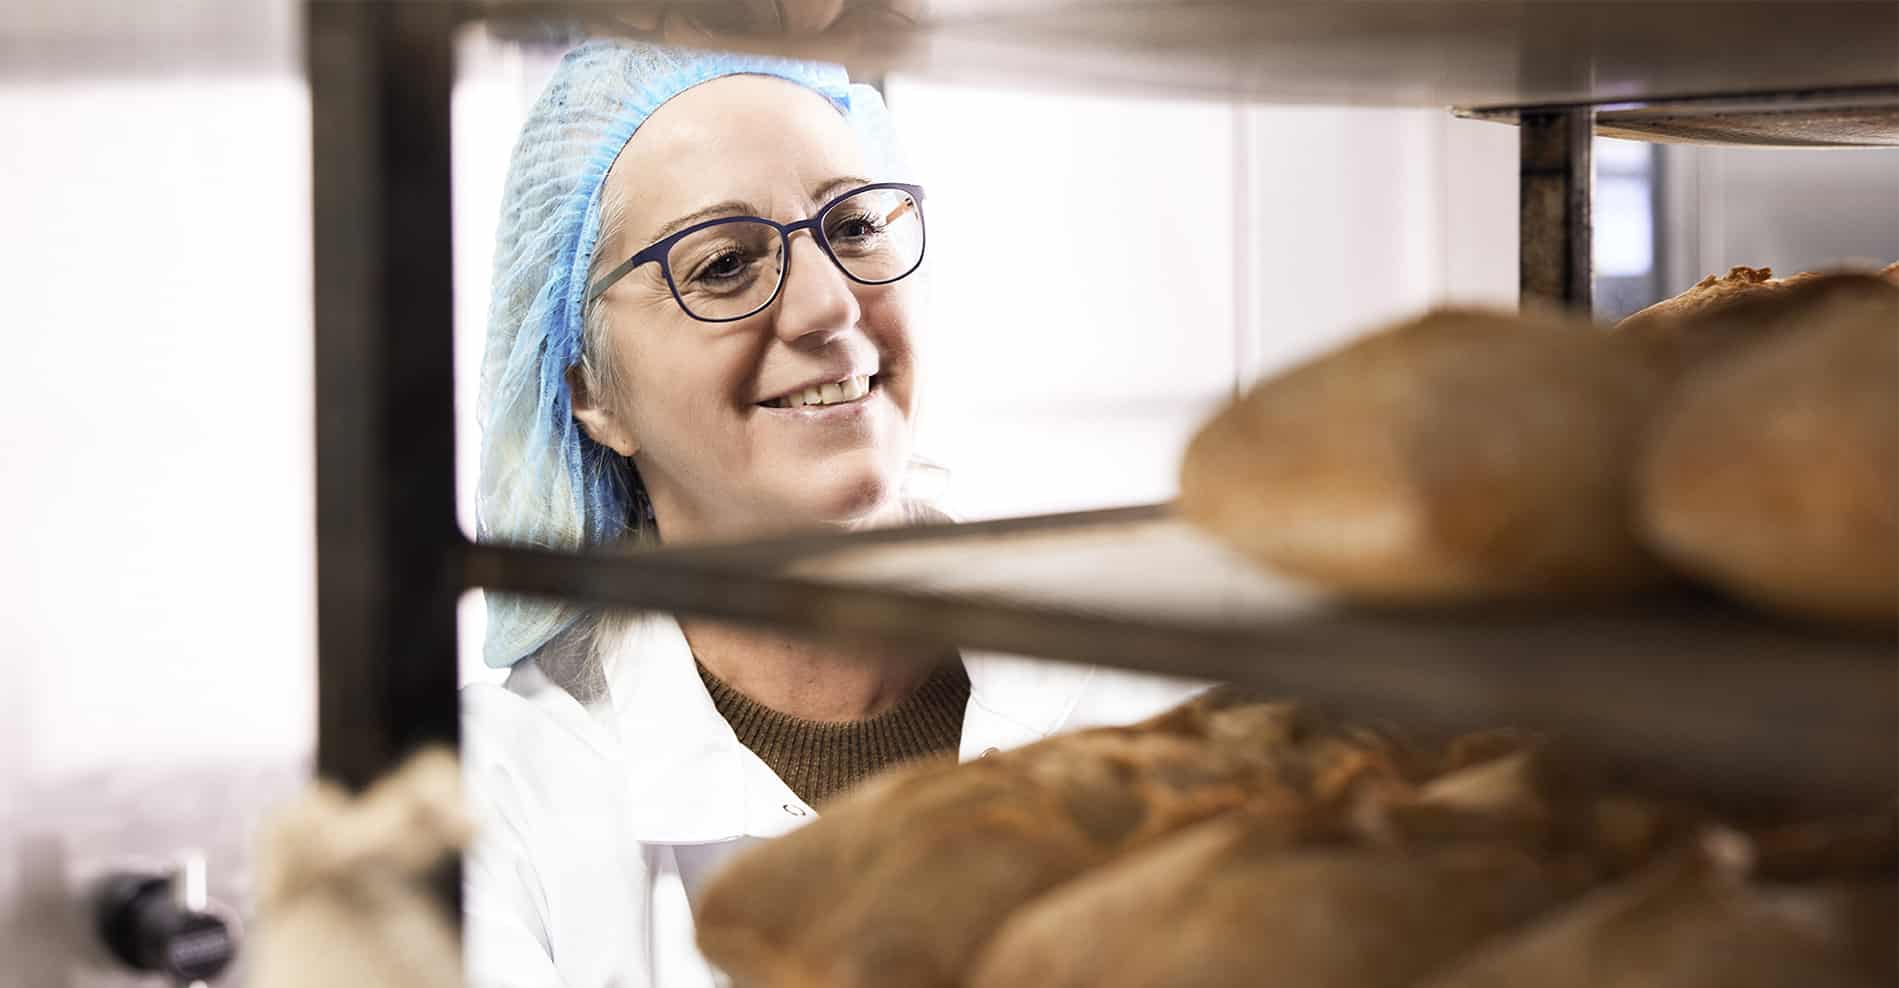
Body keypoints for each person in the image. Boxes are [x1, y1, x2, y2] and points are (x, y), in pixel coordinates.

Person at [462, 40, 1201, 987]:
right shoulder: (489, 805)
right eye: (723, 263)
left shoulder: (1156, 691)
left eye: (852, 226)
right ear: (587, 392)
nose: (829, 305)